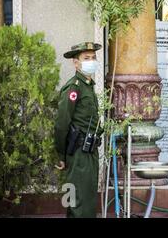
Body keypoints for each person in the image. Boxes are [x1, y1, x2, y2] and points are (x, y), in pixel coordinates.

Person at [54, 42, 102, 218]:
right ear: (76, 63)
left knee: (86, 199)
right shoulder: (74, 87)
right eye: (86, 58)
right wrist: (61, 155)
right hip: (78, 153)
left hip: (89, 152)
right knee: (78, 203)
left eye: (93, 58)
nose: (91, 61)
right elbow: (61, 124)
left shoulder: (87, 85)